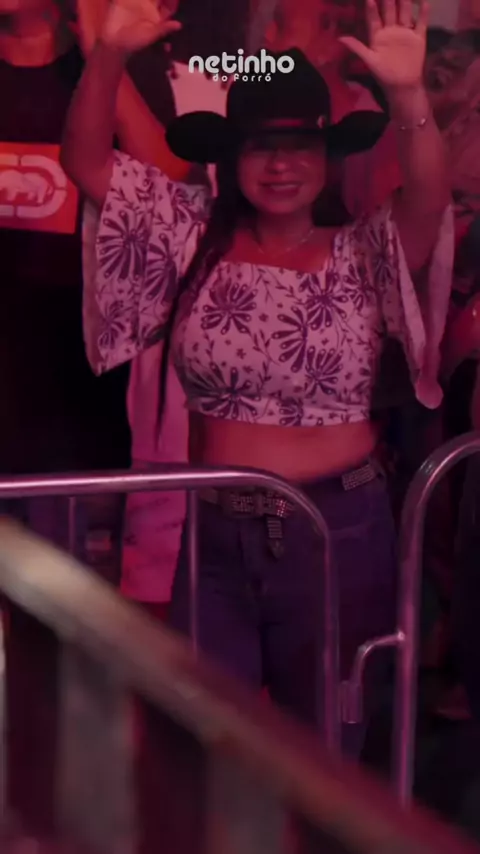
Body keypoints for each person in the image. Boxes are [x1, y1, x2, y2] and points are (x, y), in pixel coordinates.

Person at [62, 0, 452, 751]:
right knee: (205, 740)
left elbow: (429, 199)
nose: (281, 165)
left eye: (301, 147)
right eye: (260, 148)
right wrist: (105, 56)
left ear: (328, 157)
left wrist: (409, 95)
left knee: (324, 748)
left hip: (337, 529)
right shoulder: (189, 234)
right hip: (215, 530)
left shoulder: (363, 250)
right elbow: (87, 165)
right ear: (231, 157)